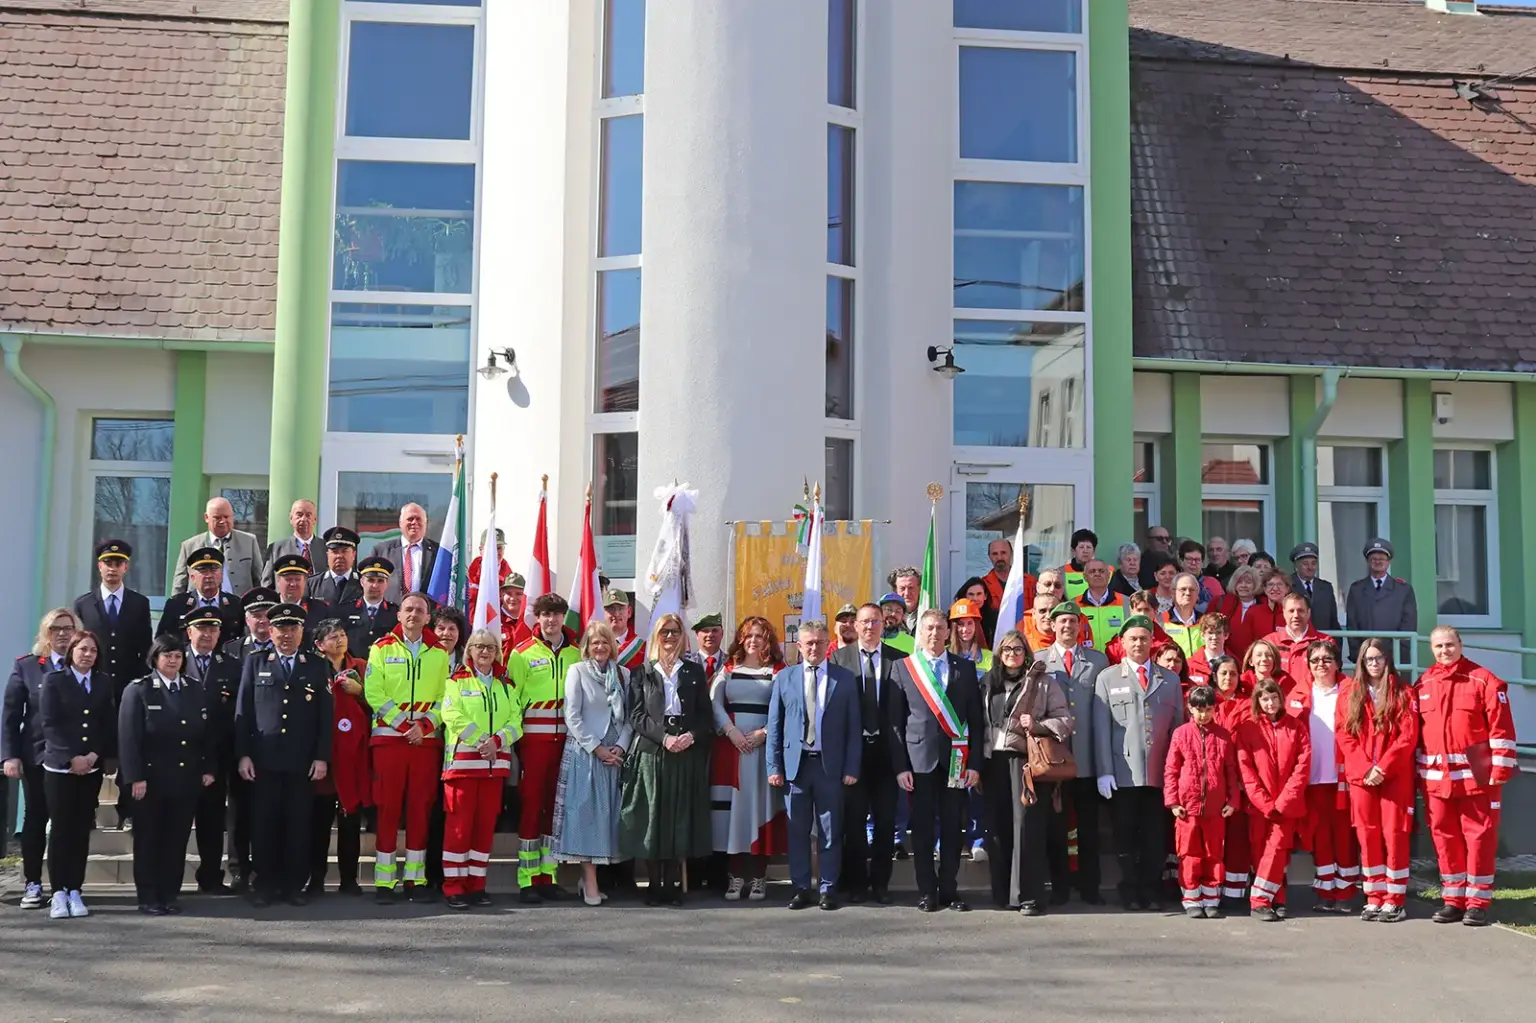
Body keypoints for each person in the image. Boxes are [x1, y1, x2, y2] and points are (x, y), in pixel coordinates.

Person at [1416, 626, 1517, 927]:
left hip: (1477, 774)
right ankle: (1453, 899)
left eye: (1449, 644)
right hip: (1437, 778)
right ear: (1431, 650)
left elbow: (1501, 729)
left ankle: (1478, 902)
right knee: (1445, 839)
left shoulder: (1483, 679)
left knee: (1479, 837)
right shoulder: (1424, 682)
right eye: (1438, 646)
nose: (1444, 651)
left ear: (1460, 644)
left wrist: (1499, 769)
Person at [235, 603, 332, 908]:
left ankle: (293, 885)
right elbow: (243, 712)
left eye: (293, 628)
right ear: (270, 630)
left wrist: (321, 757)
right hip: (264, 760)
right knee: (264, 824)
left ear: (302, 632)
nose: (286, 635)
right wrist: (244, 755)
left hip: (301, 762)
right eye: (281, 628)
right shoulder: (255, 662)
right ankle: (265, 884)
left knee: (297, 824)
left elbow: (325, 716)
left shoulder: (316, 665)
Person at [888, 609, 986, 913]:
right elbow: (895, 723)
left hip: (956, 761)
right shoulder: (903, 668)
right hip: (919, 763)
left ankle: (949, 890)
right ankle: (927, 891)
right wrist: (900, 766)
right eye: (928, 628)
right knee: (923, 828)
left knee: (952, 828)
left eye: (939, 628)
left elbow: (977, 722)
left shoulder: (965, 669)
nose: (934, 633)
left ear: (948, 632)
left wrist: (975, 765)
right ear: (921, 633)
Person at [766, 620, 860, 911]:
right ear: (799, 645)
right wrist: (774, 767)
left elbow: (853, 727)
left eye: (820, 642)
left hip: (829, 767)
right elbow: (775, 725)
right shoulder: (785, 678)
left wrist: (852, 767)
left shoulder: (844, 679)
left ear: (827, 644)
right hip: (796, 767)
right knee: (798, 831)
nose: (814, 648)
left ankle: (828, 888)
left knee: (831, 831)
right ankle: (801, 887)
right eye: (808, 643)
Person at [620, 613, 712, 905]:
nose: (670, 638)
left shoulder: (694, 672)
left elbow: (704, 715)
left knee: (677, 819)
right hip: (653, 752)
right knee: (653, 818)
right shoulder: (642, 672)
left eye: (674, 632)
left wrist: (691, 736)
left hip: (685, 753)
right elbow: (635, 715)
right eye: (664, 633)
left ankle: (672, 884)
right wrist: (664, 738)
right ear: (656, 637)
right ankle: (654, 884)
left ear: (683, 636)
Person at [118, 634, 214, 915]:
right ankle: (148, 896)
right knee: (149, 840)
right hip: (150, 781)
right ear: (155, 658)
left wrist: (208, 767)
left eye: (177, 656)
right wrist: (135, 777)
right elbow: (129, 738)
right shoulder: (139, 690)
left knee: (176, 840)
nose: (172, 660)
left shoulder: (193, 688)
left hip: (184, 779)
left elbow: (205, 732)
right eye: (166, 655)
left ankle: (169, 894)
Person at [1092, 615, 1182, 911]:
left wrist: (1178, 775)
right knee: (1125, 838)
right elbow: (1102, 729)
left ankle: (1150, 888)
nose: (1139, 643)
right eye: (1133, 639)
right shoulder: (1107, 678)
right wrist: (1104, 771)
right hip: (1123, 775)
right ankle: (1129, 889)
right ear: (1122, 644)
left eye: (1144, 638)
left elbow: (1178, 731)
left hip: (1158, 774)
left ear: (1152, 642)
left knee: (1155, 839)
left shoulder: (1168, 680)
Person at [365, 591, 449, 904]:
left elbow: (445, 698)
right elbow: (374, 692)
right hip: (389, 742)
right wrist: (404, 726)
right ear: (399, 615)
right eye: (408, 609)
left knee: (419, 809)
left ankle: (416, 879)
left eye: (420, 610)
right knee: (387, 808)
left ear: (429, 618)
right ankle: (384, 883)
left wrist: (424, 727)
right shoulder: (381, 648)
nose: (413, 614)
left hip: (425, 745)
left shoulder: (439, 654)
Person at [982, 627, 1070, 916]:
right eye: (1007, 650)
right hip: (992, 762)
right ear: (999, 654)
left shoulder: (1043, 683)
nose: (1012, 655)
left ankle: (1029, 896)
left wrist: (1039, 725)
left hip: (1026, 763)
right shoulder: (987, 683)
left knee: (1027, 829)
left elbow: (1065, 720)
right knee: (998, 828)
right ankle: (1003, 893)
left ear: (1026, 653)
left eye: (1018, 650)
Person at [1335, 638, 1418, 923]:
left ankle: (1394, 899)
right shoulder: (1349, 693)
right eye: (1368, 659)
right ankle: (1374, 896)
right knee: (1367, 834)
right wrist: (1363, 767)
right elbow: (1343, 734)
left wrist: (1382, 767)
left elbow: (1408, 737)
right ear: (1361, 662)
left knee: (1394, 833)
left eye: (1378, 658)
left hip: (1394, 777)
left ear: (1387, 660)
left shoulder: (1404, 692)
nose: (1374, 664)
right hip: (1362, 778)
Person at [439, 629, 522, 910]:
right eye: (478, 646)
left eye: (490, 647)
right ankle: (454, 887)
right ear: (469, 651)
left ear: (497, 652)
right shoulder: (456, 682)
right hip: (462, 769)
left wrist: (497, 742)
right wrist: (481, 741)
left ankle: (476, 885)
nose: (484, 652)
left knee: (484, 830)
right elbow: (450, 715)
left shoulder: (506, 685)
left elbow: (516, 721)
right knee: (459, 830)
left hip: (493, 769)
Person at [508, 593, 581, 901]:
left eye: (557, 614)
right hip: (533, 743)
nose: (551, 620)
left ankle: (548, 876)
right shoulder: (520, 653)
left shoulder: (576, 654)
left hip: (565, 742)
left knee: (555, 810)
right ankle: (527, 878)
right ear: (536, 618)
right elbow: (512, 702)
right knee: (530, 807)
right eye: (545, 614)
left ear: (564, 617)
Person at [4, 608, 78, 909]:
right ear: (45, 635)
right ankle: (33, 882)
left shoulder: (84, 667)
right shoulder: (29, 667)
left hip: (73, 762)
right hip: (36, 757)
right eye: (56, 628)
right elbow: (11, 716)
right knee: (36, 820)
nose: (62, 634)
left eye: (68, 628)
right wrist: (9, 755)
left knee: (68, 824)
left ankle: (66, 886)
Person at [39, 631, 116, 919]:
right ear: (72, 651)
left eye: (93, 651)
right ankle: (57, 891)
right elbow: (49, 724)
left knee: (82, 829)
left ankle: (75, 889)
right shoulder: (54, 681)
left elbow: (106, 722)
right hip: (60, 768)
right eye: (83, 649)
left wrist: (94, 755)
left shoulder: (103, 682)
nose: (88, 655)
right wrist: (72, 757)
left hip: (91, 768)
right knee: (61, 829)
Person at [710, 616, 787, 901]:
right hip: (731, 752)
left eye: (759, 636)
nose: (753, 641)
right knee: (733, 815)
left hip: (760, 752)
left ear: (769, 640)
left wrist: (764, 733)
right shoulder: (728, 669)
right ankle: (735, 876)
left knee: (758, 810)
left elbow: (786, 708)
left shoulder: (778, 670)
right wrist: (730, 731)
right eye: (748, 636)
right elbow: (714, 703)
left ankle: (758, 877)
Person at [552, 622, 628, 906]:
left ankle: (592, 879)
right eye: (595, 642)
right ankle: (591, 881)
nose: (600, 647)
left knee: (606, 819)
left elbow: (630, 717)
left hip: (615, 756)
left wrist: (619, 747)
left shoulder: (624, 674)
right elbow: (571, 715)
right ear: (587, 646)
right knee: (586, 816)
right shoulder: (577, 671)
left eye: (605, 642)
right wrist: (598, 749)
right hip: (587, 754)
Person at [830, 603, 901, 905]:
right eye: (864, 622)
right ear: (855, 626)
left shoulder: (899, 660)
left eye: (875, 621)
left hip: (887, 755)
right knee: (854, 822)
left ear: (883, 625)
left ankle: (881, 884)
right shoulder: (838, 659)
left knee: (886, 823)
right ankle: (857, 883)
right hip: (852, 754)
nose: (870, 627)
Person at [1038, 604, 1108, 906]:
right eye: (1061, 620)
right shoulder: (1040, 660)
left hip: (1086, 758)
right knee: (1056, 828)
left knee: (1089, 828)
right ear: (1052, 626)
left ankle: (1090, 886)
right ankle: (1060, 886)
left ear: (1080, 626)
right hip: (1055, 758)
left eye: (1072, 621)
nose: (1067, 625)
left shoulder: (1097, 660)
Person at [1284, 638, 1357, 912]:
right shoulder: (1298, 694)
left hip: (1343, 778)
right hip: (1312, 779)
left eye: (1327, 659)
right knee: (1320, 836)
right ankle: (1326, 891)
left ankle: (1346, 893)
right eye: (1315, 660)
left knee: (1344, 837)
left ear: (1337, 663)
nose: (1321, 665)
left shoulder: (1351, 691)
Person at [1235, 679, 1311, 921]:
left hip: (1286, 807)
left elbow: (1302, 766)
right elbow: (1245, 770)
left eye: (1274, 697)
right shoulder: (1248, 729)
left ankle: (1259, 901)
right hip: (1259, 806)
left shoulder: (1296, 727)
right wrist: (1265, 803)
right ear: (1257, 701)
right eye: (1265, 699)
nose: (1270, 703)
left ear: (1281, 698)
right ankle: (1277, 897)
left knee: (1277, 849)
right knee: (1260, 851)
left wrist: (1283, 802)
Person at [1164, 685, 1239, 919]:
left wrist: (1232, 800)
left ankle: (1211, 897)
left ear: (1214, 709)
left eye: (1208, 709)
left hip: (1216, 809)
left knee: (1213, 853)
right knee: (1189, 854)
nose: (1203, 714)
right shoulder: (1181, 734)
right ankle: (1191, 897)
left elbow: (1230, 771)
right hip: (1188, 809)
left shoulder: (1223, 735)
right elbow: (1171, 770)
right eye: (1198, 710)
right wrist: (1173, 802)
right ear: (1190, 709)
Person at [182, 605, 243, 895]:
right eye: (201, 629)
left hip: (217, 755)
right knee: (178, 820)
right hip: (180, 755)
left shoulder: (230, 664)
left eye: (213, 629)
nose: (207, 634)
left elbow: (239, 712)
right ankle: (169, 875)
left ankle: (210, 876)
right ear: (189, 631)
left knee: (212, 819)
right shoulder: (173, 660)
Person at [222, 586, 279, 891]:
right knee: (239, 811)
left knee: (267, 811)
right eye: (256, 615)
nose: (261, 621)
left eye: (267, 615)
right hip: (239, 742)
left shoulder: (285, 649)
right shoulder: (232, 651)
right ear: (246, 619)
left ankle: (265, 869)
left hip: (272, 744)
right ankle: (238, 869)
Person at [309, 619, 370, 896]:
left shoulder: (361, 667)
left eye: (342, 635)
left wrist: (361, 694)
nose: (340, 640)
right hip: (323, 755)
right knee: (318, 824)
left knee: (350, 823)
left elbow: (378, 704)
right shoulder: (312, 669)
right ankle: (316, 880)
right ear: (319, 645)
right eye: (332, 637)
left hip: (353, 756)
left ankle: (349, 879)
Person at [71, 539, 153, 716]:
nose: (112, 568)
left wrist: (141, 681)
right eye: (108, 563)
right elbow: (76, 648)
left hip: (129, 686)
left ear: (126, 567)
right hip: (94, 684)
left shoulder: (139, 603)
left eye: (118, 563)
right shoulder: (83, 604)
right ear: (99, 566)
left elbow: (146, 647)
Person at [1208, 654, 1252, 907]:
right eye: (1223, 673)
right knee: (1210, 839)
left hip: (1239, 779)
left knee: (1237, 838)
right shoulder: (1205, 703)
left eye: (1233, 673)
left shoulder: (1247, 704)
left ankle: (1234, 893)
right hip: (1209, 780)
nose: (1228, 678)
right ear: (1214, 676)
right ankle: (1210, 890)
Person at [172, 496, 266, 595]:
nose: (222, 521)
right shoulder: (189, 546)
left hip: (238, 607)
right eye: (217, 517)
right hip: (200, 607)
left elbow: (259, 579)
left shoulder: (249, 541)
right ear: (206, 518)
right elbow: (179, 585)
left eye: (226, 517)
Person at [1344, 539, 1418, 661]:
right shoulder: (1357, 589)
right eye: (1373, 559)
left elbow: (1408, 625)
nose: (1378, 561)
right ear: (1367, 561)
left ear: (1389, 562)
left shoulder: (1403, 590)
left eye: (1382, 559)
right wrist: (1358, 653)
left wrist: (1399, 654)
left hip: (1394, 657)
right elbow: (1352, 624)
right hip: (1365, 655)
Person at [158, 546, 243, 642]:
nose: (209, 576)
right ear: (193, 577)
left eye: (213, 570)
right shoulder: (176, 605)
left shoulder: (235, 604)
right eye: (203, 571)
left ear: (221, 575)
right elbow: (162, 641)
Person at [370, 504, 440, 605]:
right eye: (410, 519)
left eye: (418, 519)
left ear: (425, 523)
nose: (414, 522)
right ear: (400, 523)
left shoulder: (437, 552)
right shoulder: (381, 550)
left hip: (425, 615)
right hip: (390, 613)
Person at [1264, 592, 1329, 687]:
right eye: (1291, 611)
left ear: (1308, 613)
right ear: (1284, 613)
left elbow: (1331, 677)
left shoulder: (1324, 642)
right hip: (1278, 699)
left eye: (1300, 610)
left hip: (1311, 699)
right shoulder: (1270, 642)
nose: (1296, 615)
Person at [1020, 568, 1093, 652]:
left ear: (1063, 589)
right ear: (1038, 587)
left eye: (1057, 586)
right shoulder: (1022, 620)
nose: (1052, 589)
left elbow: (1087, 651)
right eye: (1047, 584)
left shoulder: (1079, 619)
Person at [340, 556, 398, 659]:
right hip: (354, 667)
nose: (375, 585)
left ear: (387, 584)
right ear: (362, 582)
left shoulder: (395, 612)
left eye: (380, 581)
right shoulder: (345, 610)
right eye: (371, 580)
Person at [979, 538, 1034, 642]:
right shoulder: (982, 585)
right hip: (996, 641)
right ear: (989, 557)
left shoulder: (1030, 582)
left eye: (1003, 553)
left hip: (1026, 639)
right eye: (995, 554)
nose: (999, 557)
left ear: (1011, 554)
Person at [262, 498, 320, 587]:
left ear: (315, 520)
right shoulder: (276, 549)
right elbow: (267, 583)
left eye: (308, 515)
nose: (303, 519)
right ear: (291, 518)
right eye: (299, 515)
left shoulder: (325, 549)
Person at [271, 554, 331, 638]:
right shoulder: (268, 608)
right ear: (278, 580)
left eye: (297, 579)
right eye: (288, 579)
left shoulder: (320, 610)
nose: (293, 584)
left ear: (305, 581)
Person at [1102, 591, 1170, 665]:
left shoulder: (1166, 644)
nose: (1143, 614)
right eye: (1139, 610)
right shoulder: (1116, 645)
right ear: (1131, 612)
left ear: (1155, 612)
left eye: (1147, 610)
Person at [1288, 542, 1340, 632]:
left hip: (1322, 642)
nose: (1310, 567)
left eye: (1313, 563)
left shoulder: (1326, 587)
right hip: (1297, 641)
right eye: (1305, 564)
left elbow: (1333, 621)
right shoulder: (1288, 585)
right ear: (1296, 566)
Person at [1215, 565, 1264, 658]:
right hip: (1226, 659)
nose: (1243, 585)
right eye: (1239, 582)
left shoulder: (1264, 605)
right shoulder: (1221, 602)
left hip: (1256, 658)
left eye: (1248, 582)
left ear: (1256, 584)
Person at [307, 526, 362, 606]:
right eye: (334, 551)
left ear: (353, 554)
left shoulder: (363, 583)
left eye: (344, 551)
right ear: (327, 554)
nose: (339, 556)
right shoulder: (312, 584)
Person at [1077, 560, 1128, 641]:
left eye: (1101, 571)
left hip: (1117, 653)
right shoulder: (1074, 605)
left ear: (1108, 575)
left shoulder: (1126, 602)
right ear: (1085, 577)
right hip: (1085, 653)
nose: (1097, 574)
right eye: (1092, 571)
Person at [603, 589, 647, 672]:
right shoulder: (596, 646)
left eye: (620, 609)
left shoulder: (643, 648)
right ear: (603, 613)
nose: (616, 614)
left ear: (629, 612)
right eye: (611, 609)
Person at [1162, 573, 1204, 657]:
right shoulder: (1161, 620)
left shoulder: (1206, 621)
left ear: (1198, 595)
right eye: (1183, 589)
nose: (1188, 593)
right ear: (1172, 592)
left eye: (1192, 589)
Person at [947, 598, 993, 672]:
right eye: (961, 624)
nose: (965, 629)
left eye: (970, 623)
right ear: (954, 627)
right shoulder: (944, 654)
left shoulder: (990, 657)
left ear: (976, 625)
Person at [1186, 614, 1230, 689]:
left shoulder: (1235, 665)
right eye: (1210, 632)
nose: (1214, 637)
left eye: (1218, 632)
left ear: (1226, 635)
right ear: (1202, 634)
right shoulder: (1189, 665)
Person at [686, 613, 727, 678]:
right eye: (705, 631)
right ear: (697, 635)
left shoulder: (731, 663)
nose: (710, 634)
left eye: (715, 630)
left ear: (722, 633)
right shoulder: (687, 663)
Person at [1061, 528, 1097, 600]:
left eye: (1089, 547)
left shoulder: (1108, 571)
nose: (1085, 551)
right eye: (1081, 547)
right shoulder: (1061, 573)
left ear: (1094, 550)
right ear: (1073, 550)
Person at [431, 605, 468, 672]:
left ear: (459, 632)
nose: (446, 633)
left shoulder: (468, 661)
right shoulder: (422, 657)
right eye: (441, 628)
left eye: (451, 629)